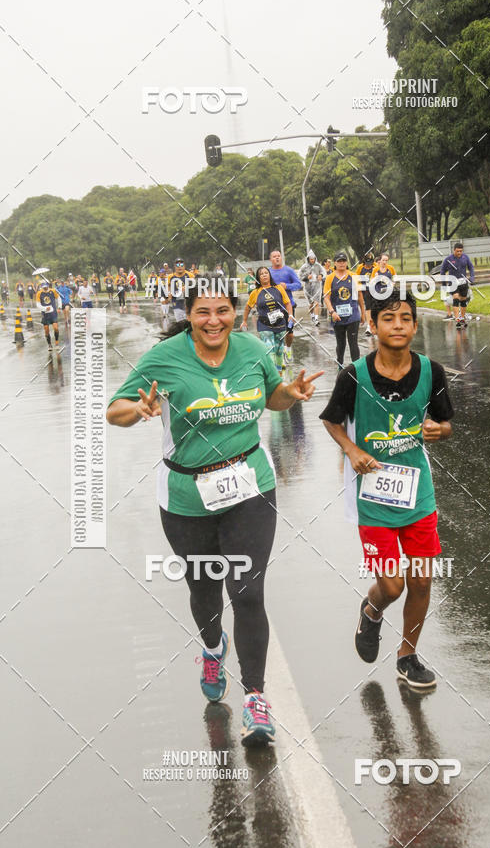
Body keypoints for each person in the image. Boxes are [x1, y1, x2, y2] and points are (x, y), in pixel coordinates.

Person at [107, 283, 322, 745]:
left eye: (222, 310)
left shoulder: (252, 349)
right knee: (204, 589)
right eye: (203, 312)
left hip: (250, 484)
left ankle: (256, 699)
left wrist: (291, 392)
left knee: (247, 591)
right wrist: (139, 409)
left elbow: (272, 396)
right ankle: (211, 647)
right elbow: (114, 410)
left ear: (235, 313)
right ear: (188, 315)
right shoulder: (164, 358)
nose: (213, 320)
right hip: (187, 496)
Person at [320, 289, 453, 689]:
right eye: (388, 318)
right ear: (373, 325)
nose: (398, 326)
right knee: (392, 585)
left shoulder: (432, 372)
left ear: (415, 325)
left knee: (422, 580)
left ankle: (407, 656)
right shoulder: (353, 376)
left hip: (418, 493)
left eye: (405, 318)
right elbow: (331, 420)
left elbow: (446, 422)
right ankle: (372, 611)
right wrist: (351, 449)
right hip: (373, 498)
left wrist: (439, 430)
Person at [240, 266, 293, 374]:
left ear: (269, 275)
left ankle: (279, 374)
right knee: (270, 350)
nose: (264, 275)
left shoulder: (279, 288)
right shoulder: (255, 292)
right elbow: (247, 308)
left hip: (280, 324)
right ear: (258, 278)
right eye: (261, 274)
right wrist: (244, 321)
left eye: (266, 273)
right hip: (264, 325)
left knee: (279, 351)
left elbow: (287, 303)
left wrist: (290, 315)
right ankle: (273, 374)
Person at [323, 252, 365, 368]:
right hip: (338, 316)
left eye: (344, 261)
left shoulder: (353, 276)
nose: (341, 263)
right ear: (335, 263)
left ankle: (356, 368)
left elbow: (360, 295)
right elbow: (326, 297)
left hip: (353, 316)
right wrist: (332, 312)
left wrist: (363, 313)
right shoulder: (330, 278)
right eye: (339, 261)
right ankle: (340, 366)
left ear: (347, 263)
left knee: (353, 343)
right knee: (341, 344)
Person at [268, 250, 302, 364]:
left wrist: (286, 286)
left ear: (281, 258)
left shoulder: (289, 270)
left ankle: (288, 349)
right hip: (273, 307)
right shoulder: (268, 273)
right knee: (277, 332)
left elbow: (298, 284)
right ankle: (279, 355)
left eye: (278, 256)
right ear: (270, 259)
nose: (277, 258)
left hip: (289, 306)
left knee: (289, 331)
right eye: (274, 256)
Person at [440, 242, 474, 329]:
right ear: (454, 250)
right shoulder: (448, 259)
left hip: (463, 282)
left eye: (461, 251)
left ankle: (462, 318)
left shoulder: (465, 257)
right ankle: (457, 319)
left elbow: (471, 267)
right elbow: (442, 271)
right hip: (453, 282)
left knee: (463, 300)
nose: (459, 253)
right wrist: (444, 284)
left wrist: (472, 277)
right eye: (457, 251)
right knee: (456, 298)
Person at [298, 249, 326, 326]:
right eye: (311, 259)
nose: (312, 260)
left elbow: (323, 272)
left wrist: (321, 275)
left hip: (317, 286)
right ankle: (312, 315)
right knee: (311, 304)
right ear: (308, 259)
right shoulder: (304, 267)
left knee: (316, 303)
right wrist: (306, 277)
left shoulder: (318, 266)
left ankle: (316, 319)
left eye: (313, 259)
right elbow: (299, 275)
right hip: (308, 287)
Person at [36, 280, 62, 348]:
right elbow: (38, 304)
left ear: (48, 286)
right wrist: (44, 308)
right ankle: (49, 345)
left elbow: (59, 298)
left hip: (53, 312)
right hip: (45, 314)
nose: (45, 288)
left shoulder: (53, 291)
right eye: (44, 287)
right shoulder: (39, 293)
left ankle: (56, 343)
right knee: (46, 330)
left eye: (46, 287)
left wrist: (59, 307)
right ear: (42, 286)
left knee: (56, 328)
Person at [356, 253, 375, 334]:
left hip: (374, 290)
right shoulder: (360, 267)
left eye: (370, 263)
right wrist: (359, 287)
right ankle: (369, 326)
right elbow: (356, 278)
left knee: (374, 307)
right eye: (367, 263)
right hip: (364, 290)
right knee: (368, 307)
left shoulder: (375, 266)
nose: (369, 265)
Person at [169, 257, 192, 322]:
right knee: (180, 323)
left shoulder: (190, 275)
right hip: (176, 304)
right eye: (177, 265)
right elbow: (168, 289)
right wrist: (169, 294)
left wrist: (187, 288)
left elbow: (196, 287)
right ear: (174, 266)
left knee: (189, 323)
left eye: (181, 264)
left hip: (188, 304)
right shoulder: (170, 277)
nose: (179, 267)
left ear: (184, 266)